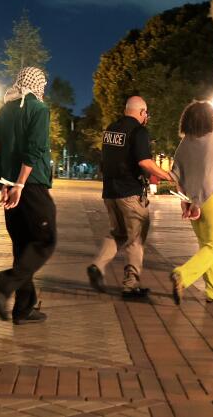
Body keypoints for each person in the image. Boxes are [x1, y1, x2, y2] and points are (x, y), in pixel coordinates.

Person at [0, 67, 54, 324]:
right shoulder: (38, 109)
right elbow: (34, 149)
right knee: (46, 240)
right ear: (37, 85)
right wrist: (20, 184)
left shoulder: (5, 110)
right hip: (31, 186)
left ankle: (23, 308)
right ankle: (2, 286)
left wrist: (3, 184)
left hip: (8, 184)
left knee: (22, 245)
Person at [88, 95, 169, 298]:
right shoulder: (138, 131)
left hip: (110, 192)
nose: (146, 117)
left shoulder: (110, 129)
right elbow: (144, 161)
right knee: (136, 238)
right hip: (130, 193)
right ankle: (130, 285)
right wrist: (168, 176)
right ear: (142, 112)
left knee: (118, 233)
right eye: (146, 113)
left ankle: (97, 266)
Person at [169, 101, 213, 305]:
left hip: (191, 200)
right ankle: (182, 275)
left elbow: (177, 176)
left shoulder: (184, 144)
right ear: (209, 118)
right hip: (211, 198)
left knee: (205, 245)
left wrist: (185, 202)